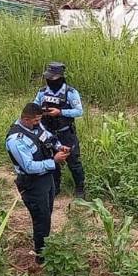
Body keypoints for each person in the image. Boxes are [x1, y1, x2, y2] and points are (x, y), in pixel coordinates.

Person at [5, 103, 70, 263]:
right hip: (32, 183)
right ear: (26, 119)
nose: (38, 123)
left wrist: (59, 147)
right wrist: (53, 161)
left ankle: (46, 244)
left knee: (47, 213)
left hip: (47, 177)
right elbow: (28, 167)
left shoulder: (36, 124)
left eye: (39, 120)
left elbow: (46, 137)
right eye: (35, 121)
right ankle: (41, 256)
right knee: (40, 219)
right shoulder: (16, 140)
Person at [34, 62, 85, 199]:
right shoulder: (42, 92)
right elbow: (34, 107)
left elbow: (79, 112)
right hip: (48, 133)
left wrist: (60, 112)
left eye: (53, 78)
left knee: (73, 161)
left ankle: (80, 188)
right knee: (52, 160)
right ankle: (55, 187)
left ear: (61, 77)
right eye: (48, 77)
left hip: (65, 132)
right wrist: (40, 112)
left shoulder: (70, 93)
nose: (50, 80)